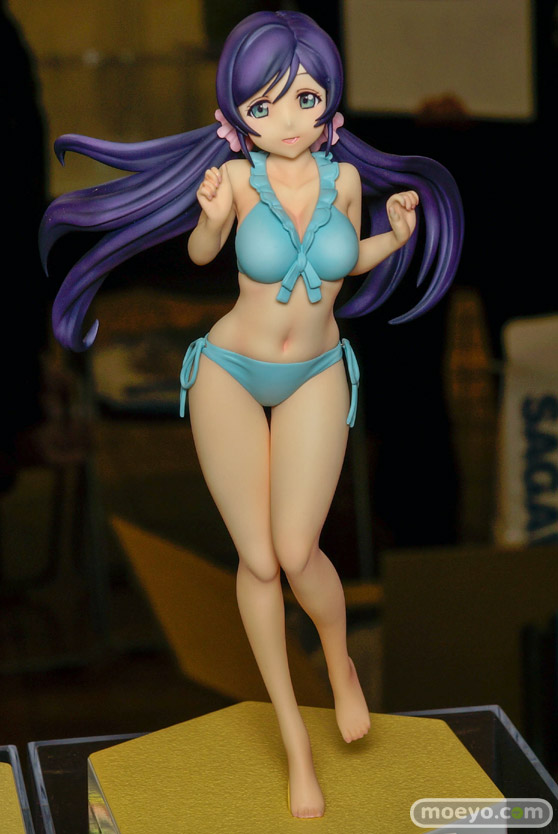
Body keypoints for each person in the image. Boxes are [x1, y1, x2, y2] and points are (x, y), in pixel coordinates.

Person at [40, 11, 463, 818]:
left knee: (299, 551)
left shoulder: (345, 180)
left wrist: (396, 238)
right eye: (263, 106)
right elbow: (202, 254)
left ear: (329, 101)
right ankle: (294, 740)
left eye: (304, 99)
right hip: (230, 372)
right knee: (260, 561)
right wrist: (207, 216)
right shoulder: (237, 179)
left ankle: (338, 660)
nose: (288, 120)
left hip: (317, 372)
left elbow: (347, 261)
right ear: (234, 116)